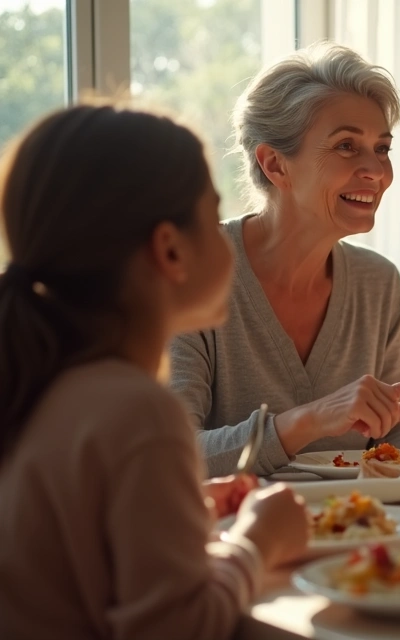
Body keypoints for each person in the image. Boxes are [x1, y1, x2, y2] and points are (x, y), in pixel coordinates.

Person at [0, 105, 309, 639]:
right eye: (211, 216)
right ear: (170, 249)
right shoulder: (138, 411)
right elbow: (177, 629)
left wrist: (180, 510)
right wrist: (258, 542)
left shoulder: (41, 382)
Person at [170, 43, 400, 477]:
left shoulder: (378, 283)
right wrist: (309, 419)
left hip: (362, 530)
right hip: (235, 536)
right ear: (274, 165)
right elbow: (170, 455)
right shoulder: (190, 275)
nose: (376, 171)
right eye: (346, 146)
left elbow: (388, 432)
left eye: (382, 148)